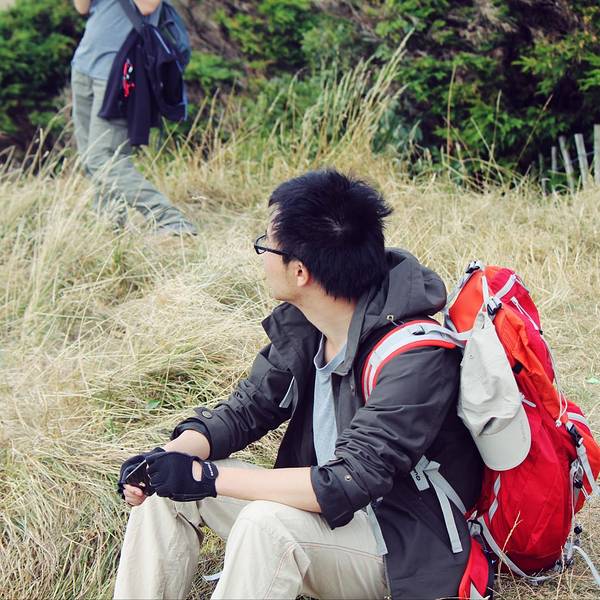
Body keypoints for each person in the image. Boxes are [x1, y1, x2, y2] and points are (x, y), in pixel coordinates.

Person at [114, 170, 484, 599]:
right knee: (166, 490)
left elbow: (349, 479)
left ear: (301, 271)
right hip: (324, 515)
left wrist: (205, 476)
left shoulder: (415, 358)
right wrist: (169, 459)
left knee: (266, 525)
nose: (262, 257)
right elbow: (246, 410)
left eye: (266, 246)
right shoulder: (311, 325)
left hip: (398, 546)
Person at [71, 0, 196, 234]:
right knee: (91, 158)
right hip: (84, 65)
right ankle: (110, 227)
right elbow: (82, 8)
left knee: (103, 158)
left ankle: (169, 219)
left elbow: (148, 6)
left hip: (119, 73)